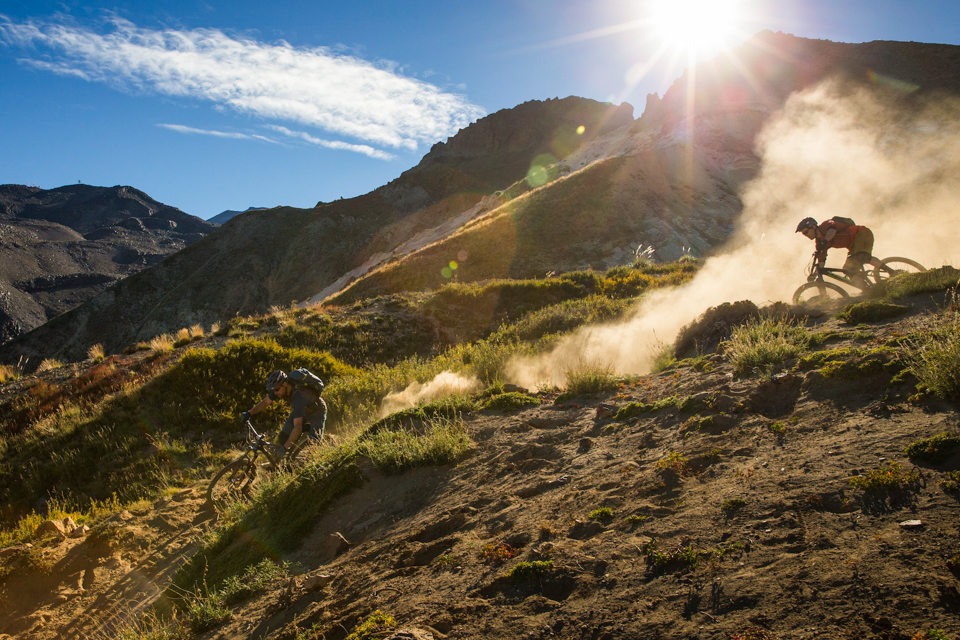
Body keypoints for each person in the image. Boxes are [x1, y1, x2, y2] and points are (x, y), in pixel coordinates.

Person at [242, 370, 326, 457]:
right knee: (283, 436)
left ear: (285, 384)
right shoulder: (281, 389)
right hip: (300, 410)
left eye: (276, 389)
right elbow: (266, 402)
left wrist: (285, 448)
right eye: (273, 390)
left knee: (314, 443)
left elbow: (297, 427)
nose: (275, 392)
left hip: (317, 411)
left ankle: (306, 461)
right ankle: (283, 462)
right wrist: (250, 413)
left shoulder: (299, 397)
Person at [795, 216, 881, 286]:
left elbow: (832, 230)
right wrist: (816, 273)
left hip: (861, 234)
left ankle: (891, 272)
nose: (806, 235)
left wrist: (825, 241)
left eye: (806, 232)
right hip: (853, 245)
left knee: (862, 257)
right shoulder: (819, 242)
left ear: (813, 226)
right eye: (804, 234)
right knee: (848, 270)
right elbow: (822, 258)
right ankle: (866, 289)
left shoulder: (825, 225)